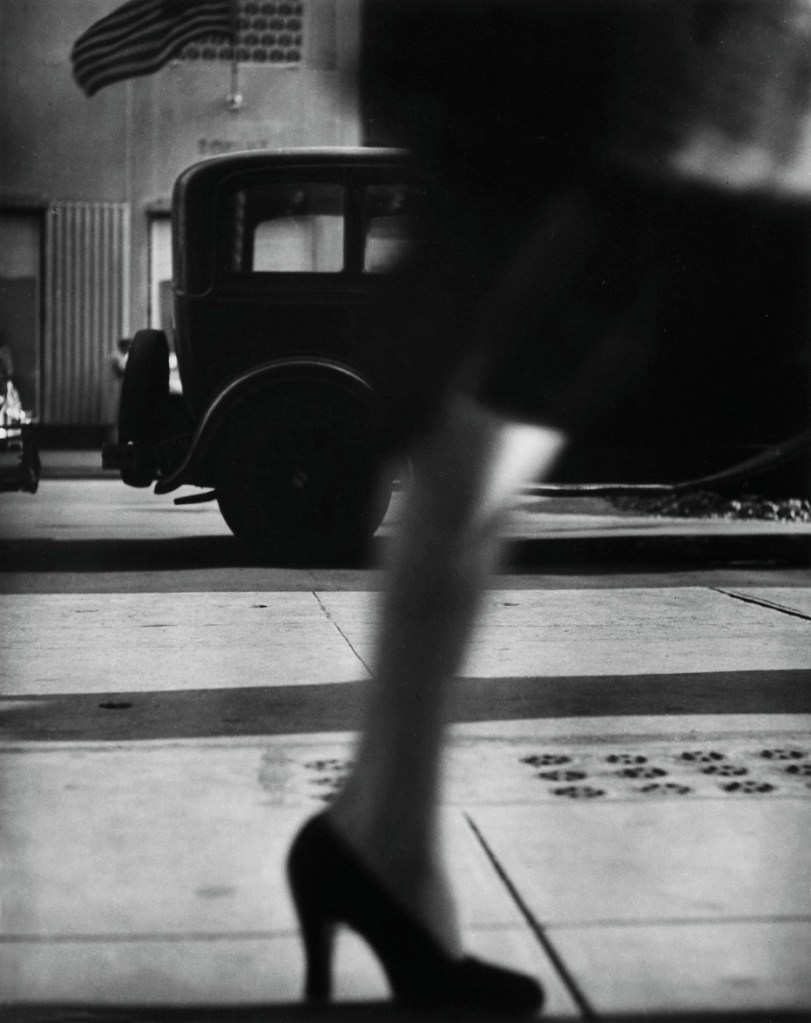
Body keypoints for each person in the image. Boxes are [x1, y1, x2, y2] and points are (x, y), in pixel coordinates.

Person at [286, 1, 811, 1014]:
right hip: (569, 56)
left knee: (500, 410)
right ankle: (380, 846)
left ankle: (379, 839)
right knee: (495, 394)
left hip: (593, 67)